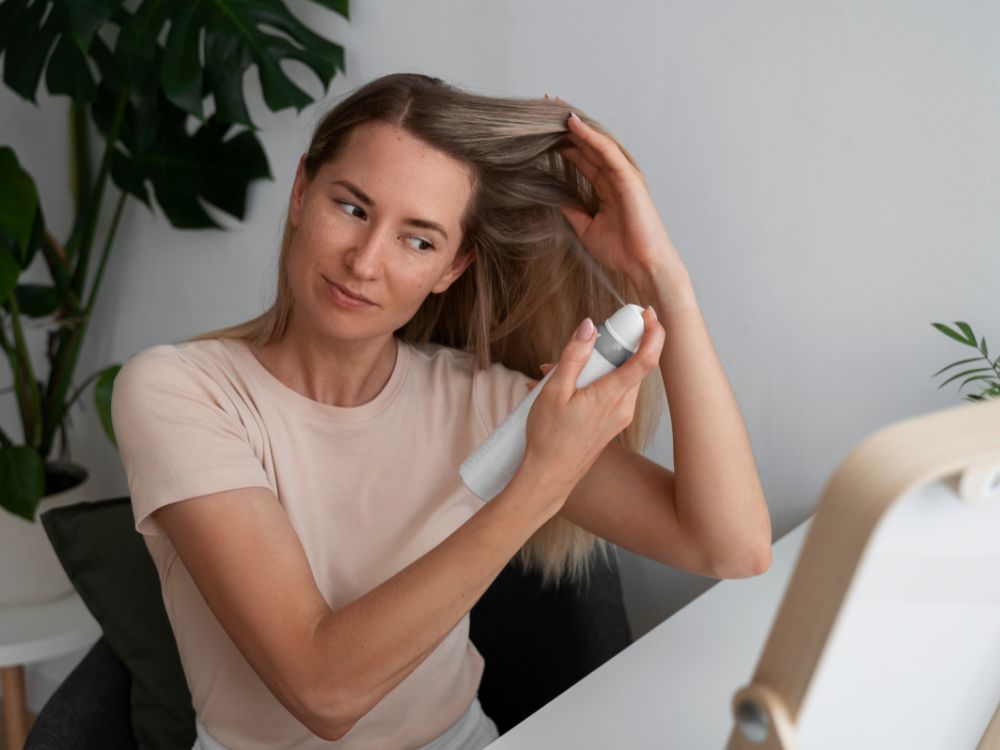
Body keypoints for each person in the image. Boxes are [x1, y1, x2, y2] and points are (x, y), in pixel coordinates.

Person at [110, 73, 772, 750]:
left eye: (419, 240)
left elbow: (730, 546)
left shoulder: (480, 403)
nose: (365, 262)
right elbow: (323, 690)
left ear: (454, 267)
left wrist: (663, 276)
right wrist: (540, 480)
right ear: (302, 192)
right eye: (352, 207)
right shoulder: (179, 392)